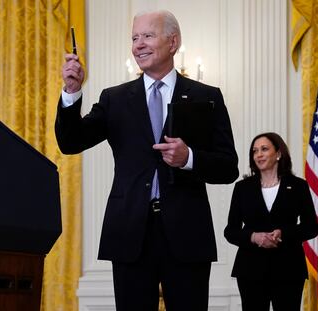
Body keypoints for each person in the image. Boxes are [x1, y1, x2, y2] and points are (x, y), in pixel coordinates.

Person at [56, 10, 238, 311]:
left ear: (173, 42)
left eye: (148, 36)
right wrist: (72, 93)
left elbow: (228, 166)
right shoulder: (114, 99)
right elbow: (71, 142)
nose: (138, 44)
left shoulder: (206, 96)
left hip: (187, 233)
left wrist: (189, 158)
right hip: (129, 232)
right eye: (134, 38)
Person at [224, 132, 318, 311]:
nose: (258, 154)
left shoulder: (298, 186)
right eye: (255, 151)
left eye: (264, 149)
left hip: (289, 269)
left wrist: (284, 233)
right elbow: (230, 231)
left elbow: (311, 227)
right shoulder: (242, 188)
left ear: (278, 153)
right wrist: (254, 237)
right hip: (250, 270)